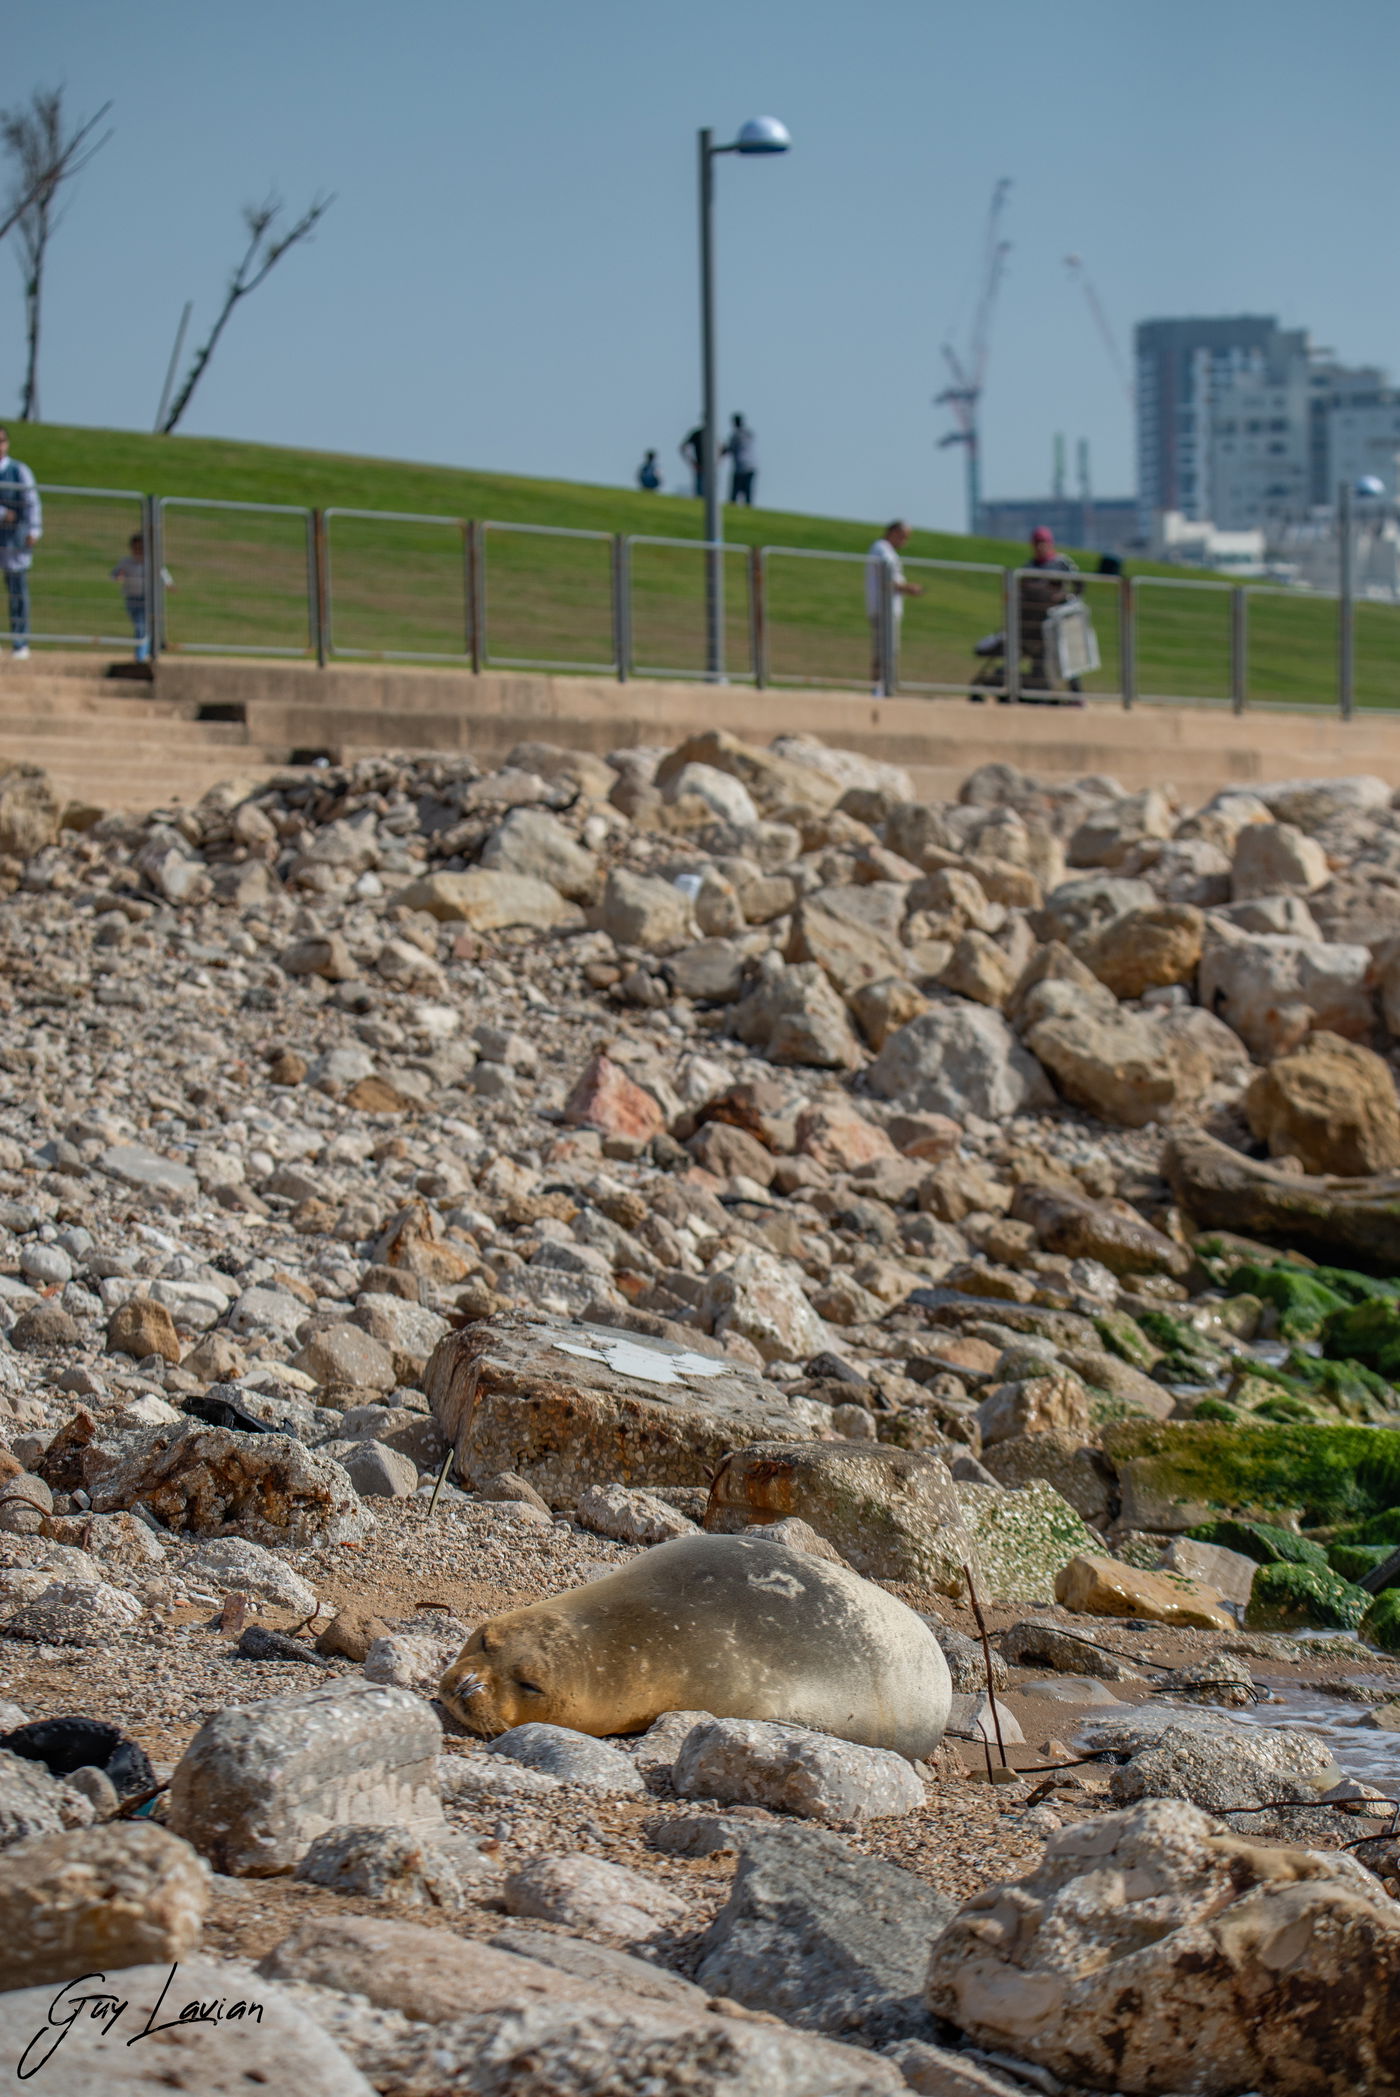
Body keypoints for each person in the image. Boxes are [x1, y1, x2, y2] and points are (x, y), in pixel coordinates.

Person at [1018, 525, 1081, 698]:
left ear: (1050, 543)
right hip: (1036, 620)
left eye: (1043, 542)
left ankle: (1076, 695)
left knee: (1066, 656)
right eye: (1037, 542)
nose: (1040, 545)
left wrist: (1064, 599)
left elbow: (1079, 585)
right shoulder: (1029, 566)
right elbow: (1021, 590)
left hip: (1059, 619)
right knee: (1038, 657)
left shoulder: (1061, 562)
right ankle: (1039, 694)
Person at [865, 520, 923, 691]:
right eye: (903, 537)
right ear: (893, 532)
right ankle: (879, 689)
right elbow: (887, 578)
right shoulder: (881, 548)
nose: (904, 542)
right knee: (883, 652)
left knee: (890, 651)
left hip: (889, 610)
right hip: (883, 609)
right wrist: (907, 588)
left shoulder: (887, 550)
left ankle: (884, 687)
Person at [0, 426, 41, 661]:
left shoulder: (18, 470)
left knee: (17, 591)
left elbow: (31, 501)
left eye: (2, 440)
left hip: (14, 539)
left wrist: (34, 529)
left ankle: (20, 641)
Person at [110, 531, 171, 663]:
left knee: (145, 627)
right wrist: (118, 575)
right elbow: (115, 573)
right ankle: (147, 651)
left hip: (149, 599)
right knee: (141, 626)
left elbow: (163, 573)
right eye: (135, 548)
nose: (138, 551)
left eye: (141, 548)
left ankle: (141, 656)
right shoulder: (126, 562)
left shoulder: (151, 562)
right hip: (133, 599)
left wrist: (169, 584)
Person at [722, 412, 757, 504]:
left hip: (740, 467)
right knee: (747, 492)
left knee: (734, 493)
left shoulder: (735, 435)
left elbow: (729, 449)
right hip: (751, 465)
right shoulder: (749, 433)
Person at [680, 425, 704, 498]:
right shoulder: (697, 434)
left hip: (710, 468)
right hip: (699, 466)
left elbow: (722, 449)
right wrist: (693, 462)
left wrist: (716, 463)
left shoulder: (713, 435)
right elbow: (683, 447)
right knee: (700, 493)